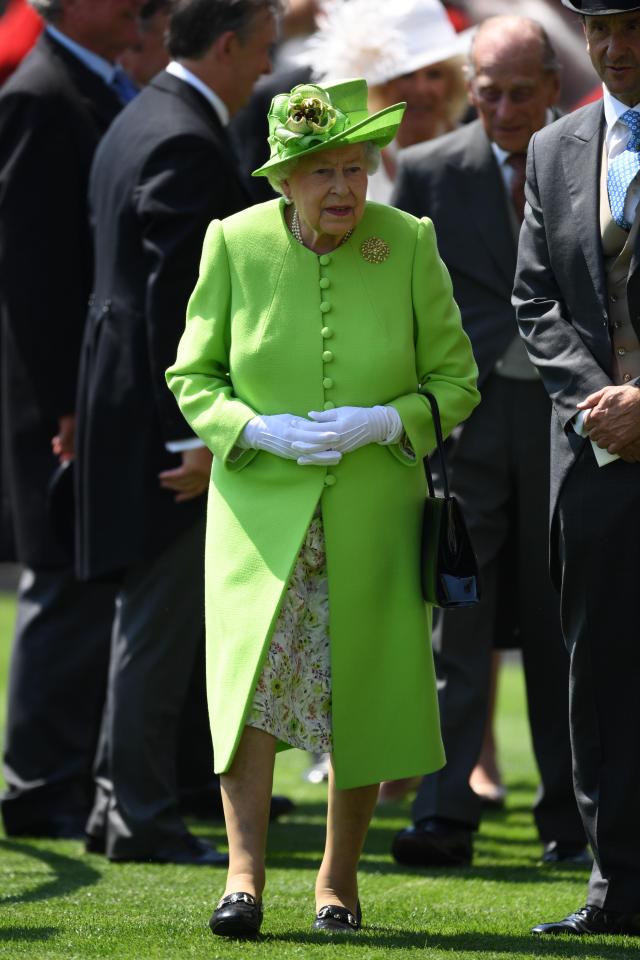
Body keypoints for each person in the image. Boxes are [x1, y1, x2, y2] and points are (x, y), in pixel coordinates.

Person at [166, 78, 479, 938]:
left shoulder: (410, 242)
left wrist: (390, 420)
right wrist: (254, 431)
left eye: (355, 167)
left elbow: (457, 382)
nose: (342, 188)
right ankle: (243, 879)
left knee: (363, 693)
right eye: (320, 171)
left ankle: (337, 883)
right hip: (260, 520)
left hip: (374, 517)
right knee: (255, 694)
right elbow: (194, 378)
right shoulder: (232, 243)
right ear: (283, 179)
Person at [76, 0, 281, 866]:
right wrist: (194, 433)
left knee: (149, 617)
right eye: (263, 51)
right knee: (158, 621)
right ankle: (140, 818)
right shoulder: (185, 138)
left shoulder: (142, 113)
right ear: (227, 45)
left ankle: (115, 805)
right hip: (163, 426)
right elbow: (177, 304)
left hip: (121, 404)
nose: (267, 70)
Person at [390, 15, 587, 868]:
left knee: (563, 625)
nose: (503, 108)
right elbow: (392, 297)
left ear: (552, 86)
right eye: (488, 91)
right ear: (469, 88)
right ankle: (444, 811)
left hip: (563, 421)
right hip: (464, 431)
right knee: (455, 620)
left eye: (519, 91)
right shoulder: (430, 172)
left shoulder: (591, 160)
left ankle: (575, 817)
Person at [0, 0, 143, 840]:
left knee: (85, 584)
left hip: (82, 393)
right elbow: (31, 271)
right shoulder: (39, 93)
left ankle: (69, 777)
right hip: (54, 399)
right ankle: (37, 787)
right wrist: (65, 403)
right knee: (58, 581)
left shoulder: (89, 83)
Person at [512, 0, 640, 938]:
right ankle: (617, 889)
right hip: (594, 454)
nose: (617, 48)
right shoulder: (553, 149)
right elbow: (536, 300)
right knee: (598, 676)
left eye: (635, 26)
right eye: (600, 30)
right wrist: (605, 405)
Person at [301, 0, 469, 203]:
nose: (421, 89)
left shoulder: (473, 152)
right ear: (380, 85)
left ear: (453, 82)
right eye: (406, 75)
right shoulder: (354, 157)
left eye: (434, 74)